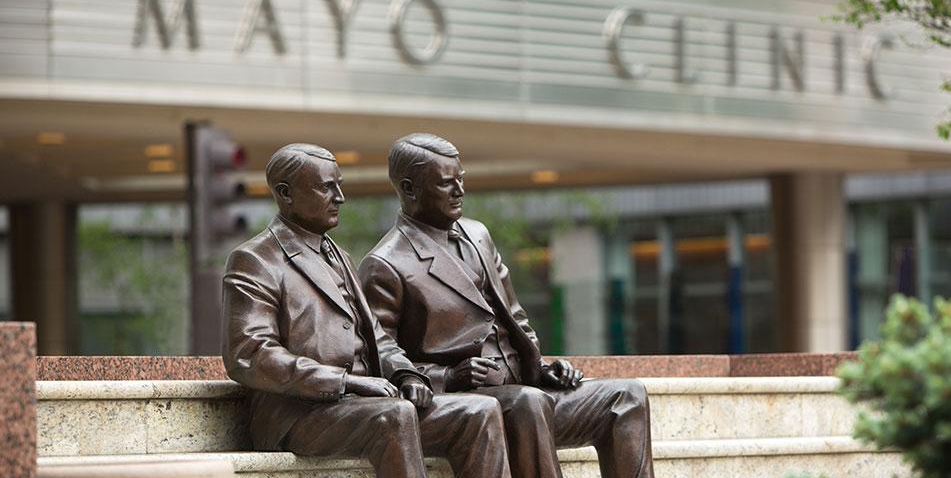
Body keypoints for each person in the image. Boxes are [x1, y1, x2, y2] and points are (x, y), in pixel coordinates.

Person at [359, 133, 656, 478]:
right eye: (445, 183)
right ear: (409, 189)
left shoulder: (478, 235)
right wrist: (448, 377)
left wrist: (541, 367)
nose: (459, 191)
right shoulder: (386, 263)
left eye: (461, 179)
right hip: (472, 403)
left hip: (525, 391)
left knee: (627, 395)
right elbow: (378, 354)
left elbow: (515, 316)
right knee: (528, 403)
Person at [222, 143, 511, 478]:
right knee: (394, 415)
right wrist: (345, 383)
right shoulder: (255, 260)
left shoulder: (339, 256)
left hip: (362, 406)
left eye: (339, 185)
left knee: (479, 411)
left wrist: (406, 375)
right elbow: (250, 354)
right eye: (326, 188)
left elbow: (378, 337)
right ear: (285, 194)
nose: (340, 197)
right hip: (299, 413)